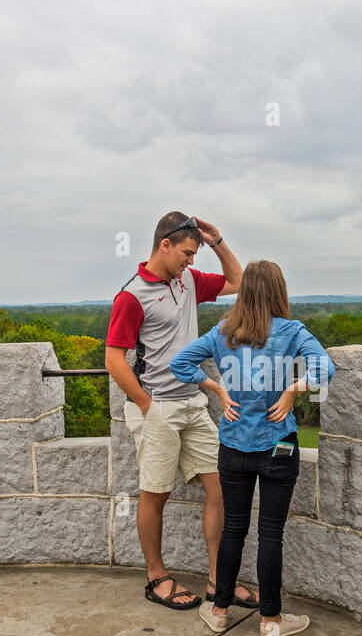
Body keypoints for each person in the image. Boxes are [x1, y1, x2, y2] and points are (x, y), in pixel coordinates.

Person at [169, 260, 335, 636]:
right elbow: (324, 368)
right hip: (278, 445)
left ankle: (219, 611)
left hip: (233, 444)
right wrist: (294, 390)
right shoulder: (292, 332)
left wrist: (218, 390)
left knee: (234, 530)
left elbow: (179, 364)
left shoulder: (223, 332)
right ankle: (272, 622)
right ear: (279, 291)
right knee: (270, 534)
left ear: (244, 293)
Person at [104, 212, 262, 611]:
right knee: (156, 493)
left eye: (195, 254)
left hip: (193, 403)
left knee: (220, 485)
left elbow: (239, 283)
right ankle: (156, 577)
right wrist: (147, 404)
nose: (191, 261)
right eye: (187, 253)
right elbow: (113, 359)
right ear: (165, 245)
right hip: (158, 406)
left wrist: (217, 241)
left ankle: (217, 580)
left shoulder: (187, 282)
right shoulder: (132, 295)